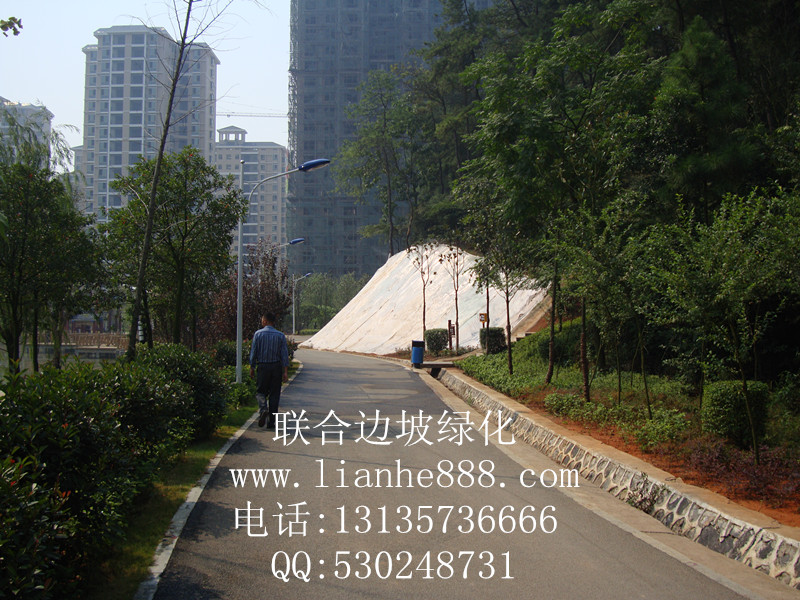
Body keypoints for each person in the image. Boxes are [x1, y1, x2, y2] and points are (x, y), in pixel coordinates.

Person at [249, 313, 290, 428]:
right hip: (276, 367)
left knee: (260, 392)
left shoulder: (258, 334)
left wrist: (252, 367)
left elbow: (254, 352)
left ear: (265, 321)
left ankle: (263, 409)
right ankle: (271, 422)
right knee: (274, 395)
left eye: (262, 320)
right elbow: (284, 355)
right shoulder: (280, 335)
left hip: (263, 367)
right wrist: (285, 371)